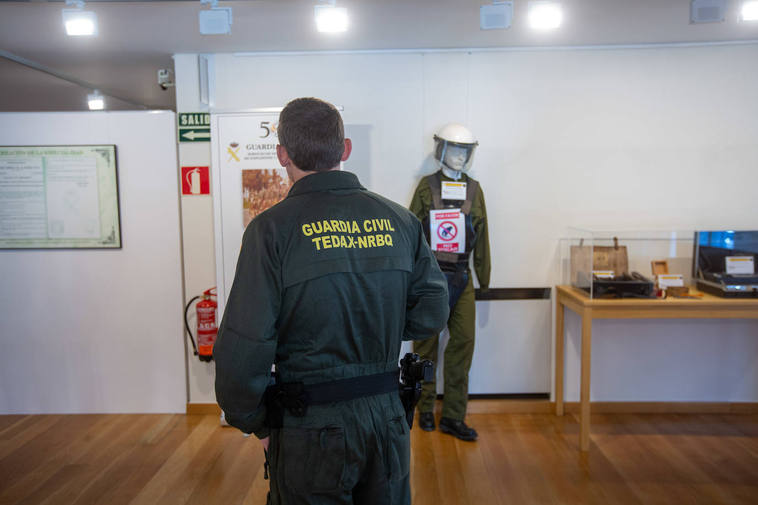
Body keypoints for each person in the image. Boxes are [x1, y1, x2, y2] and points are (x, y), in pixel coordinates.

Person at [214, 97, 449, 505]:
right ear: (345, 149)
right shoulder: (399, 221)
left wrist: (255, 422)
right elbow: (431, 311)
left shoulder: (270, 232)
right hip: (387, 418)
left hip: (309, 424)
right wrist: (379, 322)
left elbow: (244, 344)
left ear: (281, 154)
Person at [409, 123, 491, 442]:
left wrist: (485, 275)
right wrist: (409, 276)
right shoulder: (426, 187)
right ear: (441, 149)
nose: (460, 156)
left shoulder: (475, 189)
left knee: (463, 345)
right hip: (431, 278)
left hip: (463, 277)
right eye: (454, 149)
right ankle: (425, 408)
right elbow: (411, 233)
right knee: (426, 345)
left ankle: (454, 415)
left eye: (465, 150)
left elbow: (483, 234)